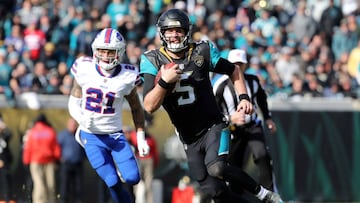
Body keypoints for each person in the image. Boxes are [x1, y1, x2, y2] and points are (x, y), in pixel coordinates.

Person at [140, 8, 283, 203]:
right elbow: (149, 105)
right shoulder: (152, 59)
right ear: (162, 33)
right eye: (169, 31)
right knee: (215, 191)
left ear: (186, 32)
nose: (174, 35)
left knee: (217, 167)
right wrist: (164, 82)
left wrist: (243, 97)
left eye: (178, 30)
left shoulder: (202, 51)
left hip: (213, 126)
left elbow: (234, 70)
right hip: (188, 139)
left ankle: (265, 194)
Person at [67, 28, 150, 203]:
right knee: (112, 181)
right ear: (94, 50)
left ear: (119, 52)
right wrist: (81, 119)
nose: (105, 55)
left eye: (110, 51)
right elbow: (73, 100)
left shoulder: (128, 75)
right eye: (102, 50)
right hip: (90, 135)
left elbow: (136, 107)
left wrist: (140, 136)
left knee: (133, 178)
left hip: (115, 135)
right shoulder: (83, 67)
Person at [211, 49, 277, 193]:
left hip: (252, 125)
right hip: (232, 129)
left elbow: (261, 99)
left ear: (246, 65)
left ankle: (269, 193)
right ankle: (237, 196)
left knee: (262, 155)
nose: (238, 67)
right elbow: (213, 111)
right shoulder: (220, 85)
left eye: (240, 64)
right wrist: (229, 119)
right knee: (235, 164)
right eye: (235, 64)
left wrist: (268, 118)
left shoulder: (253, 81)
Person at [22, 113, 61, 203]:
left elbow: (28, 148)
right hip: (49, 162)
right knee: (50, 185)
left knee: (39, 185)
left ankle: (38, 201)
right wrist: (57, 159)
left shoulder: (32, 132)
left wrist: (26, 161)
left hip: (35, 162)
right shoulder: (50, 131)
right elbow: (56, 148)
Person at [57, 117, 86, 203]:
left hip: (78, 163)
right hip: (66, 164)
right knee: (65, 186)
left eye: (74, 125)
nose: (73, 126)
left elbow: (85, 148)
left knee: (78, 187)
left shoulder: (80, 135)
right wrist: (60, 158)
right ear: (68, 125)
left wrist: (83, 158)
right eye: (71, 124)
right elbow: (57, 147)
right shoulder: (62, 135)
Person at [129, 129, 159, 203]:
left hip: (148, 160)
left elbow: (154, 151)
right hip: (138, 159)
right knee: (136, 183)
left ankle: (149, 201)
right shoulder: (133, 135)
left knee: (148, 184)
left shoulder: (150, 137)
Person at [0, 113, 14, 202]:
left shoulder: (4, 135)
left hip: (5, 164)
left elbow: (10, 134)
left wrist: (4, 127)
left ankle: (7, 199)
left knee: (6, 183)